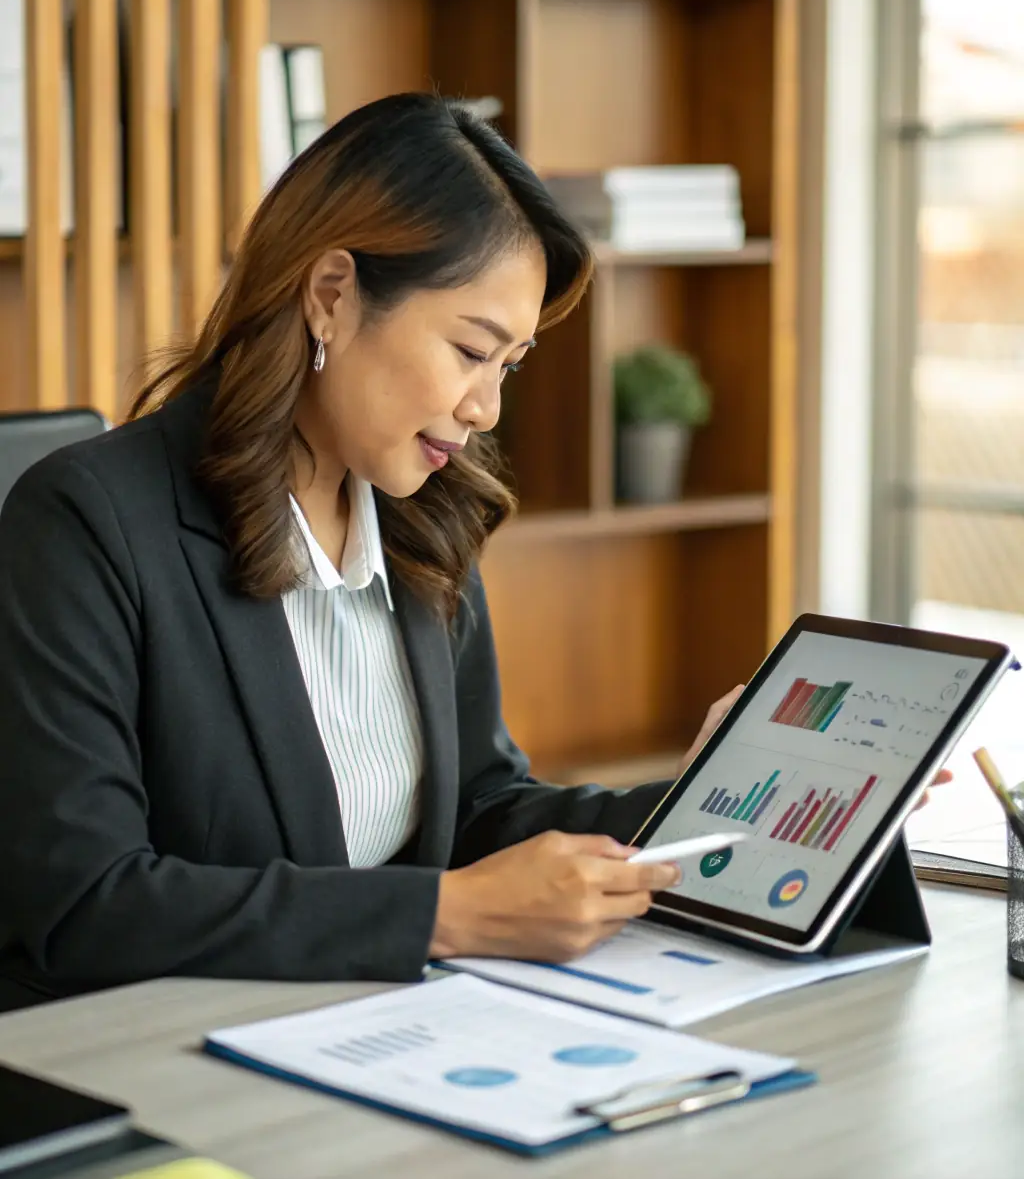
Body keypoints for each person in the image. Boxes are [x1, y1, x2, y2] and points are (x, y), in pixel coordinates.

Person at [0, 94, 945, 1013]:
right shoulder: (87, 522)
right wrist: (446, 917)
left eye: (510, 366)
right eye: (469, 349)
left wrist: (706, 800)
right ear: (332, 296)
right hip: (148, 1063)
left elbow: (479, 813)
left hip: (369, 1031)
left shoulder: (423, 519)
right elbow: (87, 904)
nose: (485, 408)